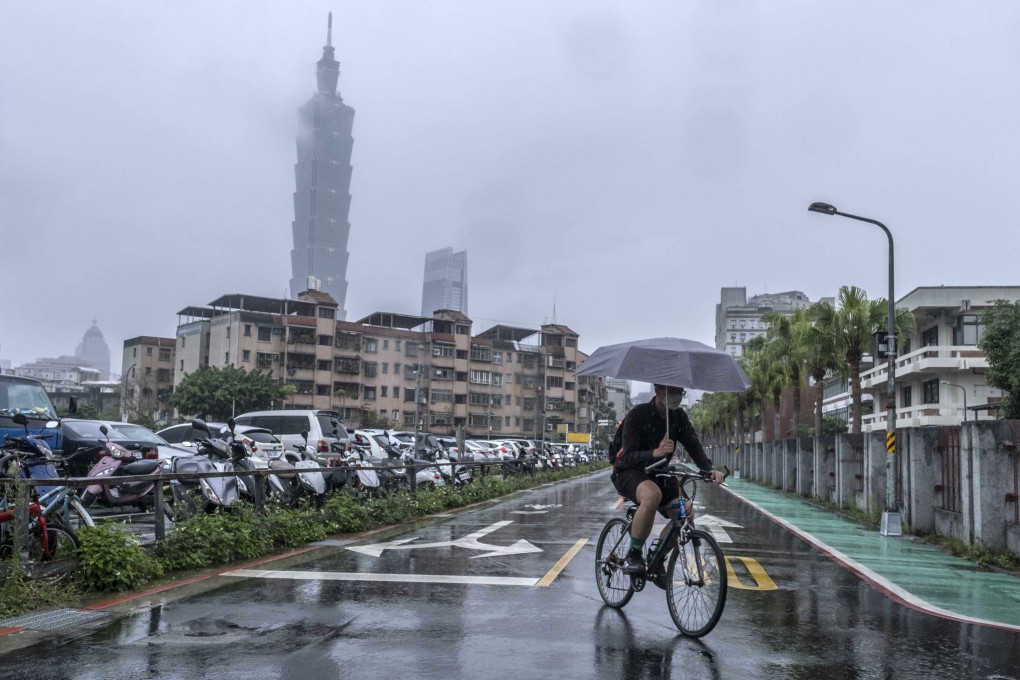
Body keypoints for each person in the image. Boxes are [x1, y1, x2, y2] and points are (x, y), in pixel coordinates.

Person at [610, 383, 725, 574]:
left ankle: (656, 558)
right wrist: (655, 452)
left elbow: (693, 444)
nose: (676, 396)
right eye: (671, 392)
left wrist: (709, 469)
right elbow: (628, 455)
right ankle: (634, 554)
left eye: (680, 392)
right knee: (652, 495)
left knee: (686, 513)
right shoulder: (637, 414)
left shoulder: (678, 417)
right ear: (657, 391)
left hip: (659, 472)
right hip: (628, 470)